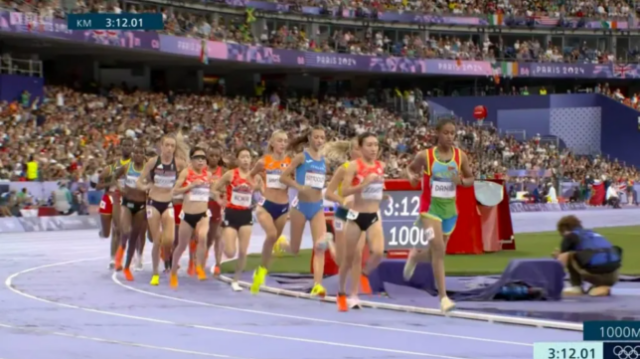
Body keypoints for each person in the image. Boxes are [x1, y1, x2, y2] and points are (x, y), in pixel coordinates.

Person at [403, 118, 474, 313]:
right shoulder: (425, 156)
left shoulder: (461, 157)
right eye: (446, 133)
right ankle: (443, 298)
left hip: (450, 212)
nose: (450, 136)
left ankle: (416, 257)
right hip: (430, 210)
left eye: (453, 133)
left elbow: (470, 179)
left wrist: (460, 181)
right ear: (438, 133)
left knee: (437, 252)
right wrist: (411, 177)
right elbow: (409, 169)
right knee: (438, 248)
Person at [337, 133, 387, 311]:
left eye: (376, 145)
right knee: (349, 258)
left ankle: (364, 275)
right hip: (355, 216)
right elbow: (344, 192)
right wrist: (364, 184)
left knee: (379, 252)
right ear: (360, 147)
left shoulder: (381, 165)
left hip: (373, 215)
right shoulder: (353, 166)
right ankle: (344, 292)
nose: (374, 148)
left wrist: (383, 195)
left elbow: (377, 191)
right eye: (369, 145)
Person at [279, 127, 330, 297]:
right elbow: (283, 177)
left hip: (317, 207)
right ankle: (281, 243)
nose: (319, 140)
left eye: (322, 137)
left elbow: (320, 182)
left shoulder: (323, 160)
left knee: (320, 247)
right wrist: (299, 187)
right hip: (300, 206)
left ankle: (318, 285)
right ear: (310, 138)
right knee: (294, 249)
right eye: (316, 137)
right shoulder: (301, 157)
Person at [136, 134, 188, 286]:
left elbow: (188, 176)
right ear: (161, 146)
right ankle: (155, 273)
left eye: (172, 146)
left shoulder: (178, 164)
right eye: (167, 145)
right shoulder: (153, 162)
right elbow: (139, 181)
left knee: (170, 240)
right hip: (153, 203)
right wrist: (145, 186)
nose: (170, 149)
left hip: (168, 203)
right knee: (157, 240)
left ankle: (167, 260)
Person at [324, 138, 369, 308]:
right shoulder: (344, 170)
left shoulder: (368, 170)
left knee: (357, 255)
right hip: (343, 215)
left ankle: (354, 295)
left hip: (360, 214)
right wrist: (343, 200)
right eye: (358, 149)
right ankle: (329, 241)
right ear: (351, 152)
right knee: (342, 260)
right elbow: (328, 193)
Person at [250, 130, 291, 294]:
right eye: (279, 140)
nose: (282, 143)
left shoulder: (290, 163)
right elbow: (250, 176)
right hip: (266, 204)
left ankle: (261, 270)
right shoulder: (263, 162)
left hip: (283, 206)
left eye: (285, 141)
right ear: (272, 143)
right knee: (272, 235)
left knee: (272, 242)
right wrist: (257, 184)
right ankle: (261, 270)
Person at [212, 148, 258, 291]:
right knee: (231, 252)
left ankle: (236, 281)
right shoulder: (230, 174)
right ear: (237, 160)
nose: (245, 159)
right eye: (242, 157)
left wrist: (257, 201)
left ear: (251, 160)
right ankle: (221, 249)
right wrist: (220, 201)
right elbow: (214, 189)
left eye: (248, 157)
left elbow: (262, 194)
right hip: (231, 214)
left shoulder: (255, 177)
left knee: (243, 251)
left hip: (246, 215)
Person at [170, 147, 215, 288]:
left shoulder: (208, 175)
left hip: (203, 214)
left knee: (202, 237)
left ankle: (199, 266)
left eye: (203, 157)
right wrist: (190, 186)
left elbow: (213, 191)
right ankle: (173, 272)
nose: (201, 160)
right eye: (197, 157)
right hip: (187, 215)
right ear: (192, 160)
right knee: (182, 245)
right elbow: (175, 191)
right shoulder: (186, 173)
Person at [553, 215, 621, 297]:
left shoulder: (571, 236)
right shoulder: (593, 233)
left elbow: (562, 259)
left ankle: (576, 287)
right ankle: (601, 286)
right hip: (614, 275)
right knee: (586, 256)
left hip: (596, 272)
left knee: (569, 255)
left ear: (564, 229)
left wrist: (557, 257)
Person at [112, 144, 147, 281]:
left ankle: (127, 267)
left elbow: (153, 183)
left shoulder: (147, 170)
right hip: (127, 203)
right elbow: (114, 176)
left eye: (140, 152)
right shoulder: (127, 167)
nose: (138, 155)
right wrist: (120, 186)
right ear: (133, 154)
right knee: (125, 231)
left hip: (141, 206)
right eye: (136, 152)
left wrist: (147, 188)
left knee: (134, 237)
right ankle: (118, 258)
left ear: (144, 155)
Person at [97, 138, 133, 269]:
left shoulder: (136, 166)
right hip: (110, 198)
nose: (127, 147)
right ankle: (103, 232)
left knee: (119, 230)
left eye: (130, 145)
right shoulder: (110, 168)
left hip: (124, 200)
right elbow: (97, 186)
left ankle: (115, 259)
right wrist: (110, 183)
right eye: (125, 145)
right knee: (107, 233)